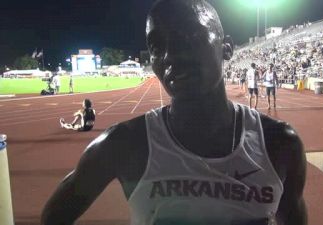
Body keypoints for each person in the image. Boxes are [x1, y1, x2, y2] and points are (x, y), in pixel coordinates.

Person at [41, 1, 307, 225]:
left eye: (189, 38)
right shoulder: (124, 145)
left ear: (227, 48)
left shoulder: (280, 144)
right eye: (157, 47)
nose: (170, 56)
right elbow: (53, 217)